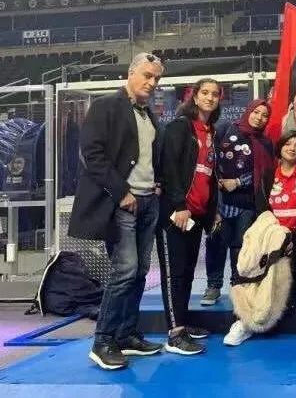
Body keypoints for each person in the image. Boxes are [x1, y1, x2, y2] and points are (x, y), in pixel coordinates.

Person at [68, 52, 164, 370]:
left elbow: (147, 158)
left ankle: (125, 335)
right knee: (125, 271)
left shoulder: (149, 116)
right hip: (123, 203)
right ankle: (103, 340)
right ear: (131, 73)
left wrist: (157, 184)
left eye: (156, 78)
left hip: (148, 201)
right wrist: (121, 192)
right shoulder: (105, 106)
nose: (152, 82)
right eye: (147, 75)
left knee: (139, 272)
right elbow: (91, 154)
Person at [224, 130, 296, 345]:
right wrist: (277, 237)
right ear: (280, 147)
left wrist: (291, 237)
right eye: (288, 144)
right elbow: (263, 209)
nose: (292, 148)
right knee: (250, 260)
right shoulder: (269, 175)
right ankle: (244, 321)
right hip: (271, 234)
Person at [155, 79, 221, 356]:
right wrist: (179, 205)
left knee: (187, 272)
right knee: (174, 274)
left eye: (215, 94)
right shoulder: (181, 126)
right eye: (204, 93)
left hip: (196, 216)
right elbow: (169, 167)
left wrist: (211, 212)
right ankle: (175, 333)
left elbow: (209, 175)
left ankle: (182, 321)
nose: (210, 97)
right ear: (194, 97)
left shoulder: (211, 131)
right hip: (175, 215)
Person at [210, 99, 276, 345]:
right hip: (220, 200)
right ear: (249, 112)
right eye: (256, 112)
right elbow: (212, 159)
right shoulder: (226, 130)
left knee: (241, 249)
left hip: (248, 203)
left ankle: (237, 288)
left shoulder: (265, 143)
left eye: (264, 115)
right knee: (216, 242)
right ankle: (213, 285)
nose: (259, 117)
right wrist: (218, 182)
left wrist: (237, 182)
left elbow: (265, 174)